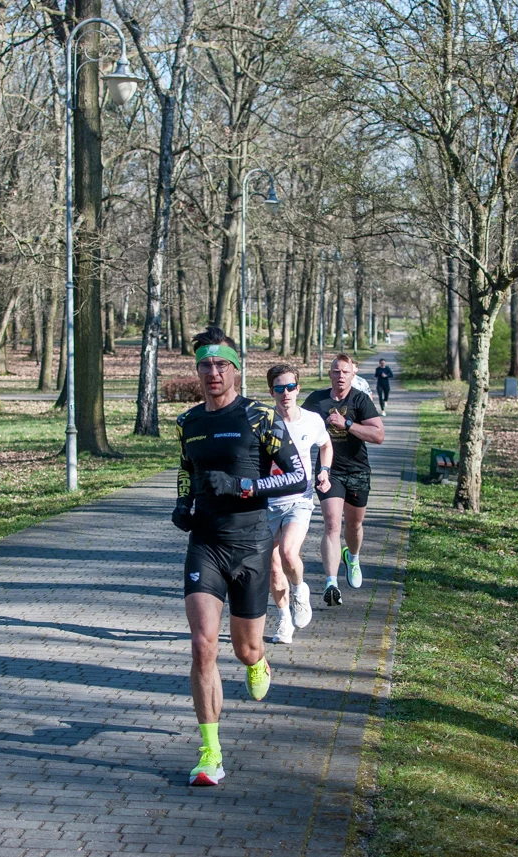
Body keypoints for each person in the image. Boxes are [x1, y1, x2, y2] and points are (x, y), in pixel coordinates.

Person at [173, 327, 308, 787]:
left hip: (250, 547)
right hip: (206, 544)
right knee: (202, 645)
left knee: (245, 648)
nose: (213, 373)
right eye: (205, 366)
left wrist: (244, 486)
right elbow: (186, 470)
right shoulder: (188, 423)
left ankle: (258, 661)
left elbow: (297, 477)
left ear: (235, 368)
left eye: (220, 365)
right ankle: (210, 752)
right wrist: (182, 504)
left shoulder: (257, 417)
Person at [302, 353, 385, 606]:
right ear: (330, 374)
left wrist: (346, 423)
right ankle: (331, 583)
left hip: (358, 470)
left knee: (354, 526)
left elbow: (378, 435)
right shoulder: (317, 399)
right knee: (331, 525)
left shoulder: (360, 400)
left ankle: (354, 557)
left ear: (353, 375)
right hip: (329, 470)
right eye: (336, 372)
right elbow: (295, 423)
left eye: (345, 372)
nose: (340, 376)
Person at [266, 364, 333, 645]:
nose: (285, 393)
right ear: (272, 392)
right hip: (267, 502)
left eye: (290, 387)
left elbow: (326, 445)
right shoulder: (263, 422)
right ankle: (284, 621)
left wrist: (324, 471)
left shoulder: (312, 420)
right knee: (272, 565)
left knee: (289, 554)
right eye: (279, 388)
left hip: (299, 499)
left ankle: (299, 591)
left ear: (298, 389)